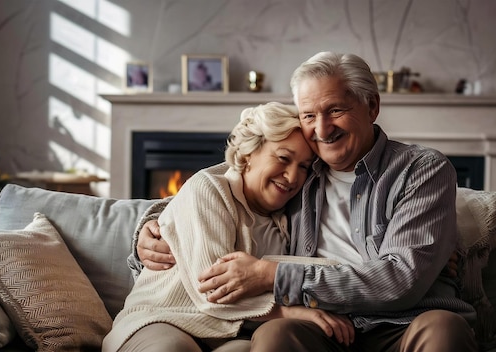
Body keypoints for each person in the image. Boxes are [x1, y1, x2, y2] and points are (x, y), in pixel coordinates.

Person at [133, 52, 478, 351]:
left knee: (443, 330)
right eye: (309, 116)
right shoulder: (303, 168)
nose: (322, 129)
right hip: (321, 323)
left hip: (404, 323)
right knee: (276, 334)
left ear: (372, 105)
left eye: (336, 110)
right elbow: (231, 177)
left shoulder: (422, 169)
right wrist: (154, 224)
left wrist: (274, 275)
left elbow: (400, 280)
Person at [103, 102, 355, 352]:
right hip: (163, 318)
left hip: (231, 332)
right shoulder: (210, 188)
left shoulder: (291, 213)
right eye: (282, 158)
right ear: (247, 155)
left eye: (303, 166)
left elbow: (331, 267)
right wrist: (288, 311)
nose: (292, 176)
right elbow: (212, 290)